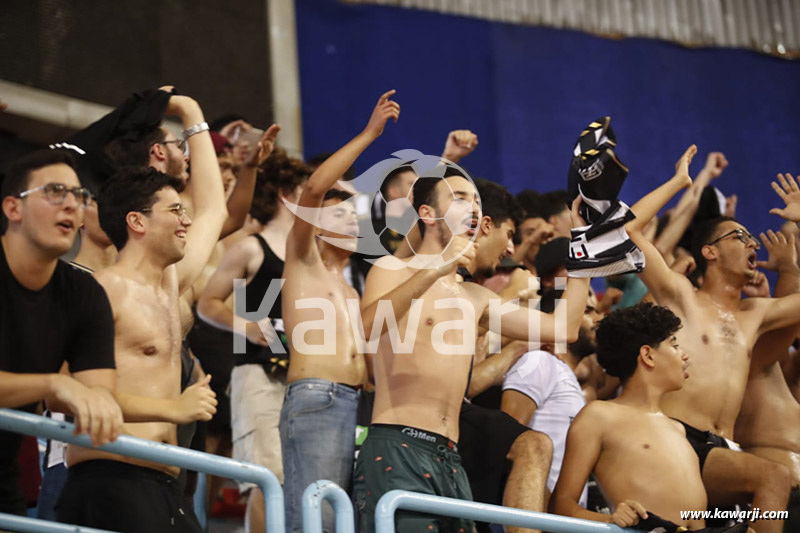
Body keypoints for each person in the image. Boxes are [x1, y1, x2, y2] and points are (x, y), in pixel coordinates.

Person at [354, 164, 591, 532]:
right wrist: (435, 268)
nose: (473, 206)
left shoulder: (475, 297)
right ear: (427, 213)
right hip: (399, 443)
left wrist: (582, 243)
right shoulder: (391, 269)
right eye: (459, 197)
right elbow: (367, 328)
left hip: (451, 455)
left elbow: (565, 329)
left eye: (475, 200)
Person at [57, 92, 226, 532]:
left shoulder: (169, 284)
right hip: (111, 479)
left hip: (165, 482)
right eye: (174, 211)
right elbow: (66, 391)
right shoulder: (102, 290)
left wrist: (193, 114)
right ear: (137, 222)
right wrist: (175, 408)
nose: (186, 220)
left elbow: (214, 207)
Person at [624, 146, 797, 533]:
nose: (754, 244)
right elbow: (630, 230)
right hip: (675, 440)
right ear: (709, 252)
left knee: (780, 509)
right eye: (741, 236)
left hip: (724, 453)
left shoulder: (755, 315)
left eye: (754, 240)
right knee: (774, 478)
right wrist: (680, 182)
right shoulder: (681, 294)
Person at [278, 90, 399, 533]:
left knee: (349, 522)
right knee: (319, 522)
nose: (351, 221)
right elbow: (313, 188)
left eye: (355, 215)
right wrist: (370, 134)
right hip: (318, 397)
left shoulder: (353, 292)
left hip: (357, 404)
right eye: (339, 214)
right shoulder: (302, 262)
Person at [0, 149, 123, 516]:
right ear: (13, 208)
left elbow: (99, 395)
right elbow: (67, 390)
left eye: (80, 195)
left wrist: (83, 396)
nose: (72, 205)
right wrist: (54, 385)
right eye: (55, 192)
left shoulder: (84, 294)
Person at [197, 147, 312, 532]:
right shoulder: (252, 247)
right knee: (268, 478)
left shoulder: (309, 254)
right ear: (286, 194)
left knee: (299, 481)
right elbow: (207, 302)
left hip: (299, 378)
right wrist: (245, 326)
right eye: (306, 190)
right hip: (257, 375)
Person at [551, 303, 733, 532]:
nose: (685, 355)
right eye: (674, 345)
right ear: (648, 355)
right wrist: (610, 520)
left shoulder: (678, 429)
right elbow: (561, 506)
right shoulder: (598, 416)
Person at [502, 290, 602, 507]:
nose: (598, 318)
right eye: (586, 311)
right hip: (534, 516)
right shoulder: (538, 361)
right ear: (551, 320)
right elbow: (505, 440)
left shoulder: (565, 375)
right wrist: (541, 504)